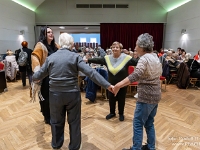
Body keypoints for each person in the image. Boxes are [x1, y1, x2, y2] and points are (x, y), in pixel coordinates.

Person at [32, 33, 113, 150]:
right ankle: (74, 147)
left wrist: (33, 76)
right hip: (72, 94)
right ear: (71, 44)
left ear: (60, 43)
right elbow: (91, 73)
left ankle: (56, 144)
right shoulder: (75, 57)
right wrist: (107, 85)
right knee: (74, 122)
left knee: (55, 121)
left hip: (55, 96)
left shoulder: (51, 58)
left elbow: (39, 75)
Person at [113, 33, 162, 150]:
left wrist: (118, 85)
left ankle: (136, 148)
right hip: (156, 96)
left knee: (138, 123)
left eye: (136, 45)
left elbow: (136, 75)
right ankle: (151, 147)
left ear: (142, 46)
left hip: (146, 97)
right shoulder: (155, 56)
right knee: (149, 123)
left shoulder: (144, 58)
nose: (135, 48)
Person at [87, 41, 138, 121]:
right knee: (111, 99)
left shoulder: (126, 58)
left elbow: (137, 62)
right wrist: (88, 60)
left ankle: (121, 113)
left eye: (117, 47)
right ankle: (112, 113)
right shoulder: (107, 58)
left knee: (121, 99)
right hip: (110, 84)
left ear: (120, 49)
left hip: (122, 84)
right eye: (113, 47)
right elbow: (98, 60)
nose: (115, 49)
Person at [31, 26, 59, 125]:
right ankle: (47, 117)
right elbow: (35, 57)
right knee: (46, 97)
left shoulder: (56, 46)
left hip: (55, 76)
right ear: (44, 34)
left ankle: (54, 114)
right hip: (45, 76)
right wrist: (38, 73)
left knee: (55, 97)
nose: (51, 34)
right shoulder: (40, 45)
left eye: (52, 32)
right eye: (48, 32)